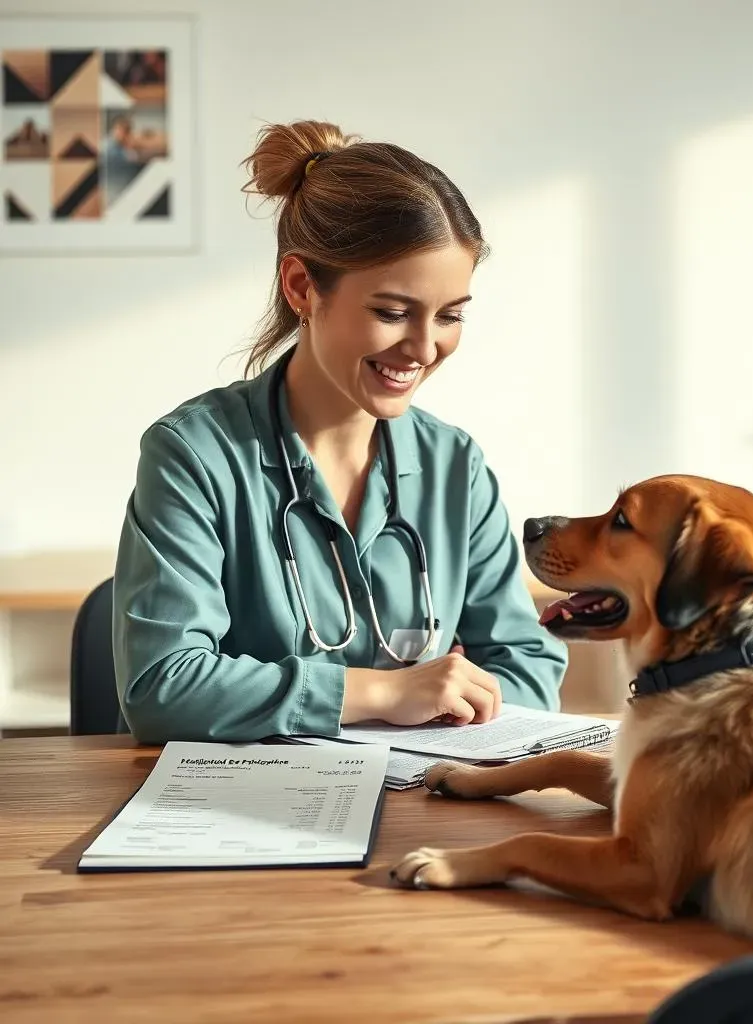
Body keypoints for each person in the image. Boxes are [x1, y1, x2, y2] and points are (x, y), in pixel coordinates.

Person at [112, 119, 568, 744]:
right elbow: (163, 688)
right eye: (392, 312)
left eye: (450, 316)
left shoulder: (455, 466)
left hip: (425, 801)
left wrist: (462, 704)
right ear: (301, 286)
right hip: (242, 811)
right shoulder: (193, 455)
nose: (424, 347)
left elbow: (526, 665)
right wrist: (382, 692)